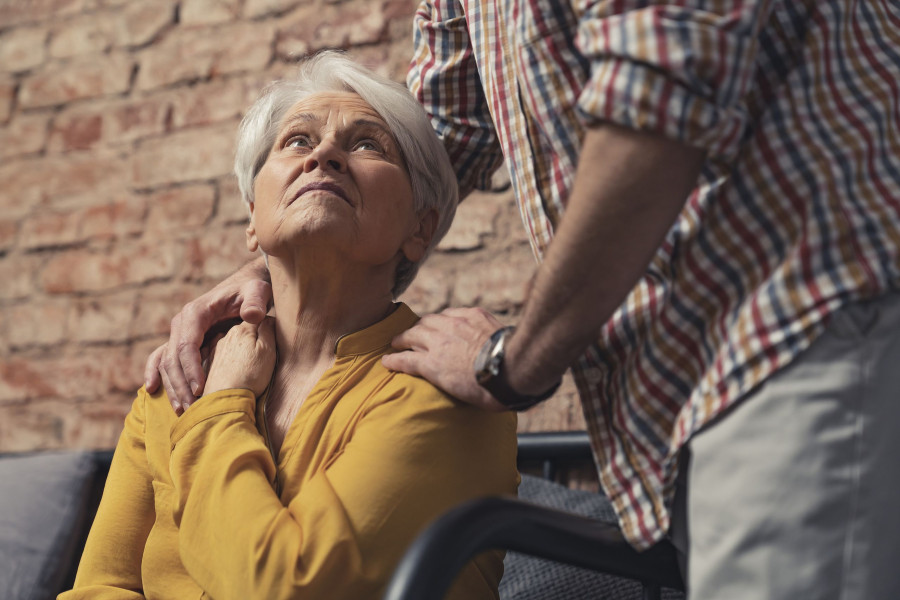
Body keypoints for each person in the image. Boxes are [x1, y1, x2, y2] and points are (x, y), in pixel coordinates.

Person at [147, 2, 900, 597]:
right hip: (683, 398)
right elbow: (436, 135)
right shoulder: (195, 373)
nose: (324, 155)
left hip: (802, 313)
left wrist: (513, 362)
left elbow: (661, 84)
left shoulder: (413, 400)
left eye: (354, 148)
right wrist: (287, 259)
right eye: (296, 143)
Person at [63, 51, 518, 600]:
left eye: (367, 145)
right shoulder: (180, 375)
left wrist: (223, 402)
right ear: (252, 217)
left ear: (420, 229)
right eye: (298, 140)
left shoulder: (446, 386)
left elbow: (284, 584)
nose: (323, 154)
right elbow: (100, 586)